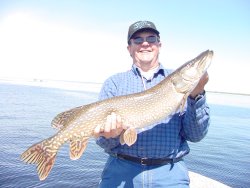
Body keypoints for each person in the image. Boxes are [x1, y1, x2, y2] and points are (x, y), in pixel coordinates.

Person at [94, 20, 210, 187]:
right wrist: (110, 135)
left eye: (151, 38)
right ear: (129, 48)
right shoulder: (114, 83)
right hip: (121, 170)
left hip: (169, 174)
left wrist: (197, 94)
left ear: (159, 45)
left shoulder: (179, 87)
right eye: (138, 40)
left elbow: (196, 135)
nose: (145, 43)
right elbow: (103, 142)